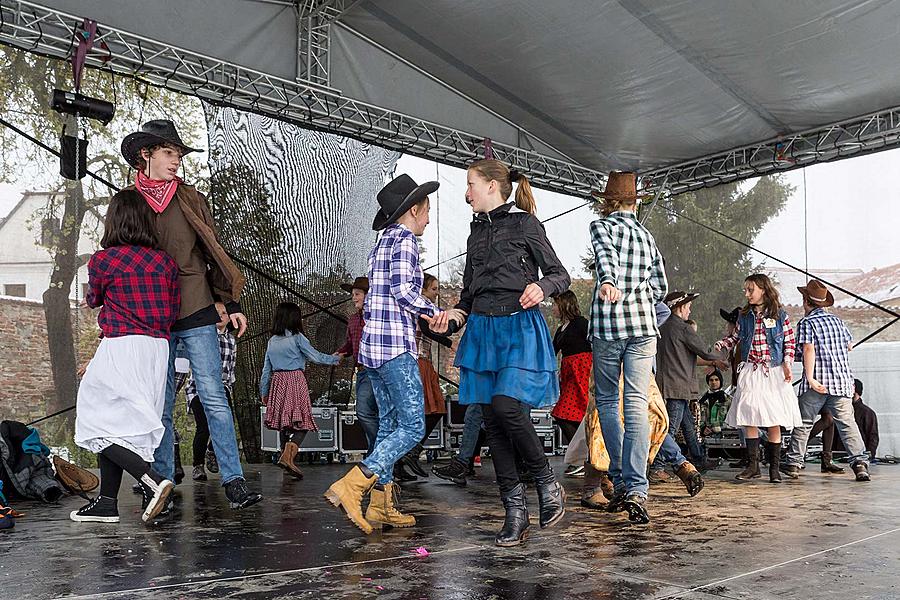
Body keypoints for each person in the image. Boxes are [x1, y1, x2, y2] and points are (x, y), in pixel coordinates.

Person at [121, 119, 261, 510]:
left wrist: (229, 303)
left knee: (214, 396)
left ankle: (233, 479)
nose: (176, 161)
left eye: (179, 155)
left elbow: (212, 250)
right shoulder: (130, 201)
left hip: (197, 307)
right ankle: (162, 481)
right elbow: (120, 256)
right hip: (154, 316)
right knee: (160, 402)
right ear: (145, 155)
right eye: (169, 153)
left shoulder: (191, 198)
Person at [430, 159, 570, 547]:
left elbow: (560, 273)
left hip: (518, 328)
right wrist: (454, 318)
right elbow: (468, 296)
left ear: (492, 186)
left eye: (471, 184)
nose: (466, 192)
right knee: (492, 422)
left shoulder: (525, 223)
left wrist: (543, 289)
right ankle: (514, 512)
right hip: (482, 332)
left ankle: (546, 482)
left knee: (508, 407)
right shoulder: (475, 234)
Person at [324, 174, 448, 534]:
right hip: (395, 347)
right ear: (413, 209)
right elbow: (405, 289)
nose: (428, 219)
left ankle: (381, 504)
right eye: (427, 212)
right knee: (412, 426)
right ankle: (354, 484)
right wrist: (434, 313)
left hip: (372, 351)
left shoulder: (382, 242)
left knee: (390, 426)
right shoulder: (406, 241)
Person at [71, 190, 179, 524]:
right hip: (157, 350)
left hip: (122, 344)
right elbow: (173, 309)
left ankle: (152, 479)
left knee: (93, 420)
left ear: (114, 221)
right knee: (121, 427)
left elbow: (93, 299)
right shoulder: (165, 262)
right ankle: (106, 502)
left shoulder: (104, 260)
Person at [588, 171, 668, 525]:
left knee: (607, 401)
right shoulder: (648, 237)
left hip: (609, 325)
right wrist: (640, 299)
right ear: (636, 202)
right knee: (636, 406)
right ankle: (637, 488)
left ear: (608, 201)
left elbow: (606, 258)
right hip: (644, 328)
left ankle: (620, 480)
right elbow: (661, 286)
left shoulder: (602, 227)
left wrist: (609, 282)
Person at [714, 274, 801, 483]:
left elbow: (789, 343)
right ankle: (753, 466)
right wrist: (723, 343)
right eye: (746, 290)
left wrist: (788, 364)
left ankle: (774, 469)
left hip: (773, 372)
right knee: (749, 416)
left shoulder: (779, 315)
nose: (747, 293)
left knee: (773, 419)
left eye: (750, 289)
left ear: (763, 289)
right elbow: (736, 337)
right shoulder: (744, 315)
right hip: (751, 371)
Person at [781, 280, 870, 482]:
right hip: (842, 382)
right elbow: (849, 346)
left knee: (803, 422)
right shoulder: (838, 321)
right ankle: (860, 465)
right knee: (847, 424)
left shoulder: (807, 323)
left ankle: (794, 463)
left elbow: (808, 349)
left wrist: (810, 378)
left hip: (817, 383)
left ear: (806, 301)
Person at [261, 302, 341, 480]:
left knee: (284, 422)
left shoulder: (272, 341)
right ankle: (288, 457)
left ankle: (285, 456)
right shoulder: (297, 337)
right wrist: (335, 359)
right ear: (294, 318)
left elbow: (266, 370)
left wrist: (264, 392)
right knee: (303, 421)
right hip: (295, 381)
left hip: (278, 382)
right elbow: (315, 356)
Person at [656, 291, 728, 470]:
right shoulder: (683, 328)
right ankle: (657, 466)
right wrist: (722, 356)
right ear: (679, 308)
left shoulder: (663, 327)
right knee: (670, 429)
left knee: (687, 425)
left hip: (667, 383)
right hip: (679, 384)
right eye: (688, 307)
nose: (689, 311)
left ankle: (698, 459)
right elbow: (704, 350)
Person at [396, 273, 453, 480]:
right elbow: (429, 330)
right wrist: (449, 341)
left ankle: (406, 456)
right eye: (434, 289)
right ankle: (405, 456)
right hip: (417, 361)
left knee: (435, 409)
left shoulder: (426, 310)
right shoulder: (419, 308)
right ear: (422, 290)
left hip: (425, 362)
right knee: (427, 410)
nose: (437, 293)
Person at [188, 302, 235, 481]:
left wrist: (228, 387)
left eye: (224, 313)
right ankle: (197, 465)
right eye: (217, 313)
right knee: (204, 426)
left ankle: (212, 451)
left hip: (222, 388)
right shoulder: (202, 337)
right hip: (199, 388)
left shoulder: (231, 340)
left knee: (226, 423)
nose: (221, 316)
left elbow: (231, 368)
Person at [550, 290, 592, 476]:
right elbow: (553, 351)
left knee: (570, 413)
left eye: (555, 304)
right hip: (569, 375)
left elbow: (595, 344)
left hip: (583, 372)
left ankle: (583, 458)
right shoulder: (561, 329)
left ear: (565, 304)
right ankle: (581, 456)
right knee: (564, 414)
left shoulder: (582, 324)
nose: (553, 308)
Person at [336, 277, 378, 456]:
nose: (354, 298)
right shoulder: (353, 319)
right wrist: (340, 353)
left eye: (357, 294)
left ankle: (380, 452)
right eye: (353, 294)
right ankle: (378, 454)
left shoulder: (378, 316)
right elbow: (349, 343)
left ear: (368, 295)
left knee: (364, 412)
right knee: (368, 414)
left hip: (376, 369)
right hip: (361, 371)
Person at [852, 379, 879, 459]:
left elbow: (872, 437)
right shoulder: (842, 411)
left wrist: (869, 456)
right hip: (841, 456)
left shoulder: (867, 412)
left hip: (858, 456)